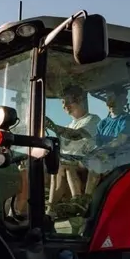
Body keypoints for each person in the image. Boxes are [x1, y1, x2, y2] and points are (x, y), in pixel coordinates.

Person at [45, 84, 100, 212]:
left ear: (79, 99)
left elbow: (75, 135)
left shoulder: (92, 119)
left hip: (84, 162)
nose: (64, 106)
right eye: (62, 103)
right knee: (51, 166)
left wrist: (52, 126)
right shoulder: (69, 125)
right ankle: (49, 209)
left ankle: (77, 200)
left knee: (64, 165)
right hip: (67, 162)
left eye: (67, 101)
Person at [85, 85, 130, 195]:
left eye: (115, 99)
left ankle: (86, 200)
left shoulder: (127, 120)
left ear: (123, 101)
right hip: (103, 158)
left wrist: (100, 150)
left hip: (119, 160)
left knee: (95, 162)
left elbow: (119, 141)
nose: (111, 103)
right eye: (109, 99)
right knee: (67, 166)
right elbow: (95, 143)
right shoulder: (102, 123)